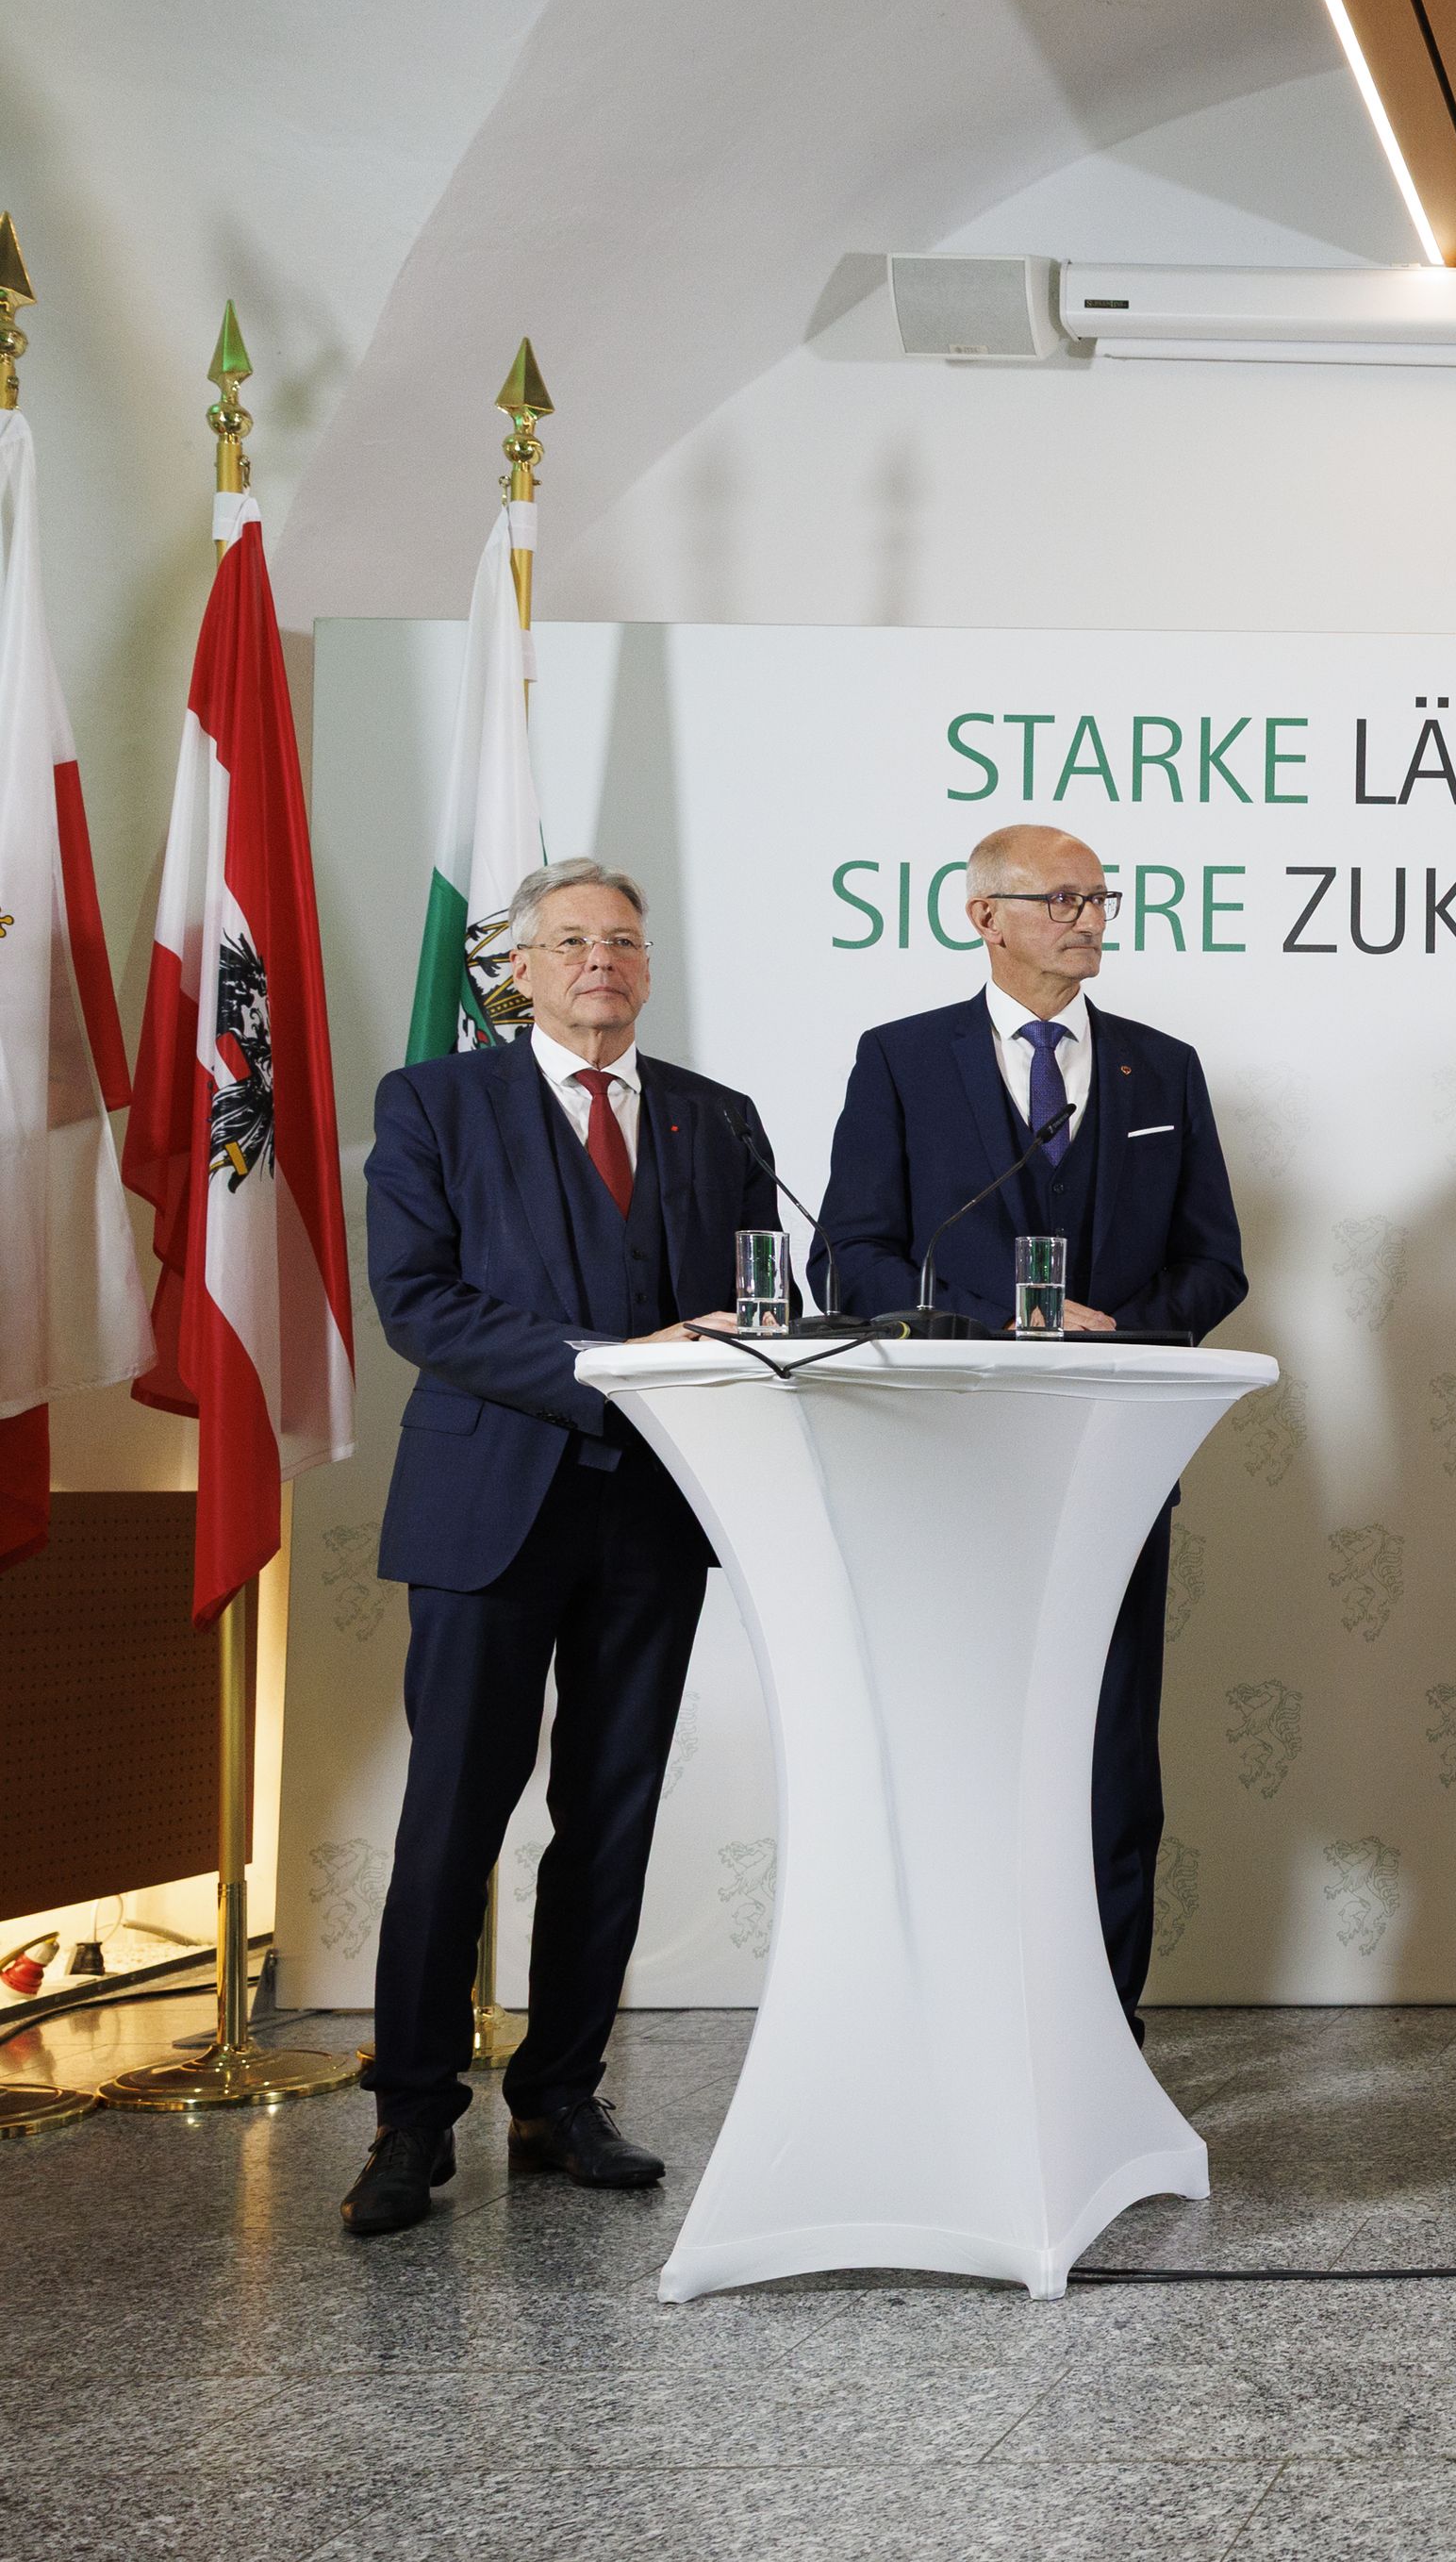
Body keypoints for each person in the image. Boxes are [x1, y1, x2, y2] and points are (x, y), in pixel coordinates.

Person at [343, 858, 778, 2238]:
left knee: (611, 1817)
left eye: (626, 942)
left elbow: (761, 1295)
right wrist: (609, 1359)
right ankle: (411, 2117)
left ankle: (560, 2097)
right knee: (451, 1822)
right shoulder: (434, 1102)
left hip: (656, 1512)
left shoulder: (719, 1117)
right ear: (517, 969)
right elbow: (419, 1304)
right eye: (573, 940)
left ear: (649, 968)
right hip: (491, 1509)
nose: (603, 960)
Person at [815, 824, 1247, 2038]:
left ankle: (1102, 2019)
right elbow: (849, 1250)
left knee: (1110, 1746)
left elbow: (1217, 1265)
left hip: (1113, 1456)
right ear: (982, 916)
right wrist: (982, 1323)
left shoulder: (1161, 1071)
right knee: (961, 1738)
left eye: (1097, 897)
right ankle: (951, 2008)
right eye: (1057, 898)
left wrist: (1117, 1336)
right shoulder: (899, 1061)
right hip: (951, 1455)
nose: (1085, 917)